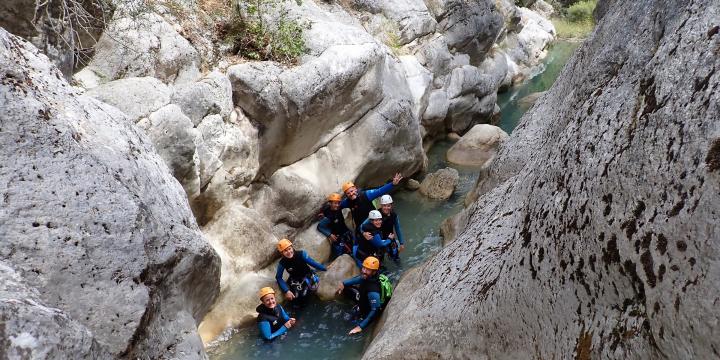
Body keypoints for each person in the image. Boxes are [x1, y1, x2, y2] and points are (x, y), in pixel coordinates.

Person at [336, 256, 392, 334]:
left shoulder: (373, 290)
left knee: (346, 323)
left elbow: (375, 310)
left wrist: (360, 327)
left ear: (374, 272)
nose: (364, 271)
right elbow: (358, 279)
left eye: (368, 269)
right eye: (364, 268)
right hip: (364, 301)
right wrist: (343, 284)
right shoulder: (369, 277)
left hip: (366, 311)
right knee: (347, 288)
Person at [317, 193, 354, 257]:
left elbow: (346, 202)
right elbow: (320, 226)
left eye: (338, 203)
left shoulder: (338, 207)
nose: (337, 205)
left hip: (346, 232)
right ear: (330, 203)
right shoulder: (330, 216)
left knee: (353, 248)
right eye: (335, 203)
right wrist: (329, 234)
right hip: (338, 237)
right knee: (341, 254)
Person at [377, 194, 404, 261]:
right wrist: (364, 233)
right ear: (381, 205)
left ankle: (399, 270)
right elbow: (365, 225)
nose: (386, 208)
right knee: (380, 259)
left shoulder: (393, 215)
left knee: (395, 256)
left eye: (388, 206)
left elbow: (398, 229)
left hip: (390, 237)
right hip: (379, 239)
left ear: (391, 205)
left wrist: (401, 243)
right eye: (384, 206)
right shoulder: (376, 214)